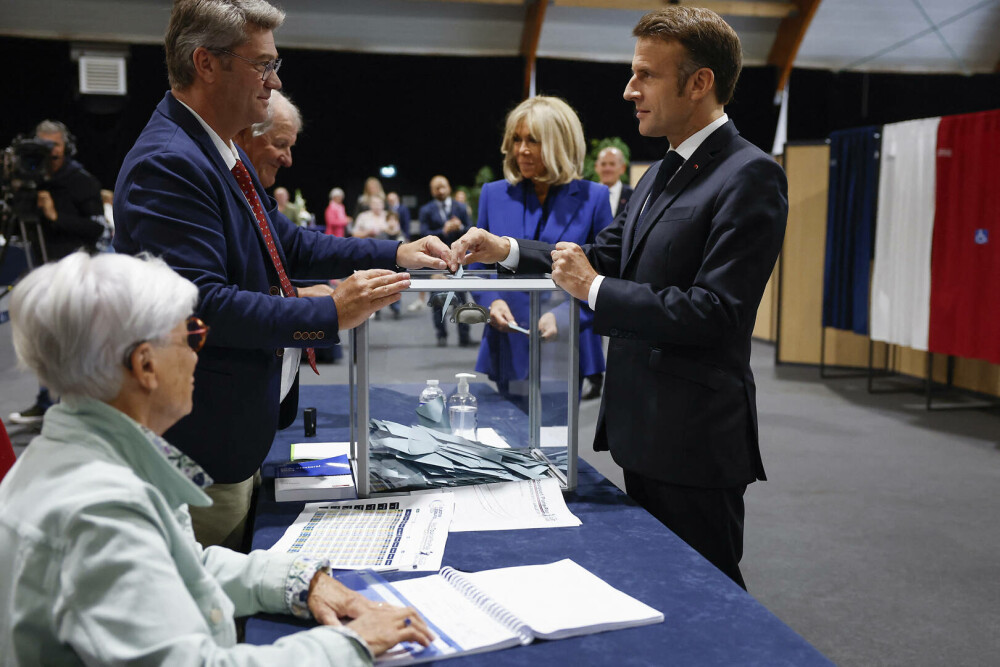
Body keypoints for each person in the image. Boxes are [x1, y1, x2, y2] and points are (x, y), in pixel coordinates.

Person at [451, 6, 788, 589]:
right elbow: (597, 254)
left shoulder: (749, 174)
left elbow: (718, 312)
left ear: (699, 82)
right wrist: (504, 249)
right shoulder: (657, 173)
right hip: (642, 427)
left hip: (693, 436)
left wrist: (594, 290)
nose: (629, 90)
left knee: (707, 591)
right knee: (656, 582)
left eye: (646, 75)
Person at [113, 0, 450, 551]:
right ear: (206, 63)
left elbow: (286, 242)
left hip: (231, 433)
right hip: (197, 448)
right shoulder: (170, 161)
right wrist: (330, 313)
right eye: (262, 64)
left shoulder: (217, 146)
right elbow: (205, 307)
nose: (274, 81)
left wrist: (397, 252)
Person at [0, 252, 432, 664]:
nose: (197, 353)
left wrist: (296, 583)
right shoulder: (99, 512)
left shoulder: (87, 455)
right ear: (145, 365)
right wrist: (353, 644)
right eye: (191, 335)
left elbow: (181, 562)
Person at [472, 96, 613, 397]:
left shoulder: (595, 197)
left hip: (565, 344)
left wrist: (563, 317)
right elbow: (476, 266)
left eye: (533, 140)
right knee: (507, 439)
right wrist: (493, 302)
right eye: (517, 139)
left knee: (558, 441)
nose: (521, 150)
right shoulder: (493, 194)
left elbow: (606, 274)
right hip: (507, 341)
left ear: (560, 143)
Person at [7, 119, 105, 426]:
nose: (49, 153)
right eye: (42, 146)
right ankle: (45, 401)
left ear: (67, 147)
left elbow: (97, 229)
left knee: (76, 343)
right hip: (40, 270)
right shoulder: (28, 181)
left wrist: (54, 215)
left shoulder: (81, 182)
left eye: (55, 146)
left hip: (75, 275)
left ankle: (81, 411)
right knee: (44, 338)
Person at [419, 175, 472, 347]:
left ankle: (464, 336)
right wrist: (443, 230)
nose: (440, 190)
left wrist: (461, 227)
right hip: (436, 263)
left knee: (462, 301)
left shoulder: (461, 208)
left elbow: (471, 231)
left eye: (443, 186)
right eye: (437, 187)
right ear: (432, 190)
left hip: (459, 261)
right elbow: (423, 235)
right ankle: (441, 335)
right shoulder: (426, 210)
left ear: (449, 187)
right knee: (437, 300)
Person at [235, 89, 301, 189]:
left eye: (289, 147)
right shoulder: (209, 184)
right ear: (240, 134)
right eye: (280, 144)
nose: (288, 161)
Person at [595, 146, 633, 217]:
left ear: (622, 168)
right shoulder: (587, 195)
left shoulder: (632, 196)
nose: (607, 169)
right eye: (603, 164)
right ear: (596, 167)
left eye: (612, 164)